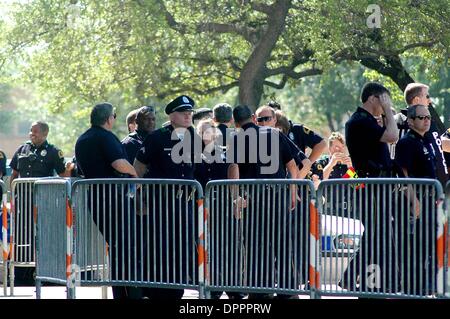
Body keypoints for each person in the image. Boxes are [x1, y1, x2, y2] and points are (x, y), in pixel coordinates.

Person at [134, 95, 202, 299]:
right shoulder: (157, 137)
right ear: (172, 116)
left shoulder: (194, 137)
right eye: (183, 113)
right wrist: (139, 197)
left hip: (185, 204)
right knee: (160, 245)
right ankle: (157, 289)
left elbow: (197, 168)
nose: (188, 116)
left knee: (183, 245)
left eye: (190, 113)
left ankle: (177, 288)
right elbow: (138, 166)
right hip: (160, 202)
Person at [228, 105, 298, 299]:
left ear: (235, 122)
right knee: (282, 243)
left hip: (253, 199)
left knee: (255, 244)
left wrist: (235, 198)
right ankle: (288, 290)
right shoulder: (275, 134)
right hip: (278, 196)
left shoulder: (237, 139)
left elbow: (234, 169)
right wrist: (293, 191)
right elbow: (292, 166)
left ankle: (260, 290)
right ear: (252, 117)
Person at [75, 102, 139, 299]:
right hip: (114, 198)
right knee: (126, 245)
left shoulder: (82, 138)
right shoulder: (106, 137)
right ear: (108, 118)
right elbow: (119, 163)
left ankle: (121, 291)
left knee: (116, 245)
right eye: (114, 116)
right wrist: (135, 174)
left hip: (95, 198)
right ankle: (129, 292)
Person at [343, 82, 399, 293]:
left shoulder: (367, 121)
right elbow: (392, 136)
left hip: (379, 183)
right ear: (373, 98)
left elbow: (390, 137)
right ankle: (352, 277)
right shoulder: (360, 121)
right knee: (376, 232)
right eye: (384, 99)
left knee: (378, 233)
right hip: (372, 183)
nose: (386, 104)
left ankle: (369, 279)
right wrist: (387, 112)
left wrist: (385, 114)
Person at [9, 121, 69, 285]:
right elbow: (14, 174)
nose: (31, 134)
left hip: (44, 203)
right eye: (30, 131)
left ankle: (47, 274)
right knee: (23, 235)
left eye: (35, 131)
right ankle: (22, 276)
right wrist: (13, 196)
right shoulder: (22, 149)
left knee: (44, 235)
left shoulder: (53, 152)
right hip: (23, 202)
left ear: (44, 134)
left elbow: (63, 174)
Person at [194, 118, 246, 300]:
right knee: (210, 249)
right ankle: (214, 288)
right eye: (203, 130)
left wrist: (236, 199)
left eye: (210, 130)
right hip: (203, 208)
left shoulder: (225, 153)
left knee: (232, 247)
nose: (207, 133)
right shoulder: (192, 155)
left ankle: (234, 288)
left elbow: (234, 172)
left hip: (224, 207)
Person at [395, 104, 437, 295]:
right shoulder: (406, 142)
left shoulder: (427, 139)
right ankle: (413, 289)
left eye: (428, 117)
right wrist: (414, 201)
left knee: (430, 245)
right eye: (422, 118)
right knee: (416, 249)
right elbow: (403, 173)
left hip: (432, 201)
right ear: (411, 121)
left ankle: (426, 286)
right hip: (416, 201)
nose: (427, 120)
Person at [397, 83, 449, 187]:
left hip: (439, 187)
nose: (429, 101)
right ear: (416, 100)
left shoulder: (428, 122)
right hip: (422, 190)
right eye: (427, 96)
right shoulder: (405, 123)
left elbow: (437, 145)